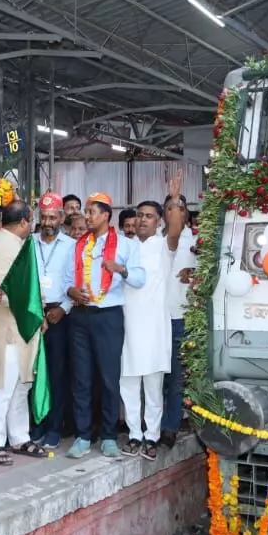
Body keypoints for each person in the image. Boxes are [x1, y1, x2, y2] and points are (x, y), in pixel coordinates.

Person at [64, 193, 146, 460]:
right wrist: (71, 291)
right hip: (80, 316)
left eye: (92, 212)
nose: (87, 217)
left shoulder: (126, 245)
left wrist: (121, 270)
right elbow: (67, 279)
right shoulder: (77, 246)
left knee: (109, 379)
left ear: (106, 215)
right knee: (81, 378)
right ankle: (83, 435)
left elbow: (139, 279)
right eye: (86, 212)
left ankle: (109, 436)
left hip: (108, 316)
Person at [119, 176, 185, 461]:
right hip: (127, 325)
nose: (143, 220)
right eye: (140, 215)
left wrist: (173, 200)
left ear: (158, 221)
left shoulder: (163, 245)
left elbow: (176, 229)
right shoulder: (125, 245)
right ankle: (134, 434)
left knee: (153, 387)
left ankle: (152, 436)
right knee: (129, 383)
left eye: (149, 216)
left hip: (155, 327)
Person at [0, 202, 47, 465]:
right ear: (24, 221)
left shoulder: (17, 244)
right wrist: (31, 308)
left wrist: (34, 310)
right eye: (30, 221)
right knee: (3, 386)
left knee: (22, 385)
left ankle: (19, 437)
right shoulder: (2, 245)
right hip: (8, 328)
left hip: (24, 328)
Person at [29, 193, 75, 451]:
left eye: (52, 217)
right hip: (33, 314)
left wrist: (64, 309)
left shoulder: (71, 245)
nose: (47, 221)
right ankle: (36, 425)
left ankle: (54, 428)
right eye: (43, 216)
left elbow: (75, 281)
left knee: (56, 374)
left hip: (59, 314)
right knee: (32, 374)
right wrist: (35, 313)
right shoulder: (28, 243)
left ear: (61, 217)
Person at [163, 193, 195, 447]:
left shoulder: (194, 240)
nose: (175, 212)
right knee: (155, 377)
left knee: (175, 378)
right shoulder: (155, 240)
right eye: (171, 208)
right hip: (154, 318)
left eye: (180, 208)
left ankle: (170, 426)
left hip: (180, 317)